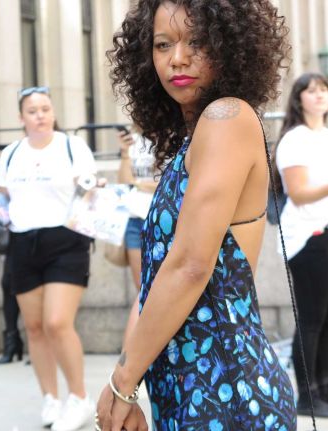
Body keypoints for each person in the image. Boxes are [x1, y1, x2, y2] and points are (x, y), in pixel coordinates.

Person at [100, 1, 294, 430]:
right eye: (163, 44)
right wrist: (129, 368)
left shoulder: (228, 117)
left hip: (228, 393)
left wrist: (122, 383)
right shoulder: (200, 134)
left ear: (231, 45)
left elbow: (190, 266)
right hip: (192, 393)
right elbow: (160, 276)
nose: (178, 58)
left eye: (197, 41)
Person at [0, 86, 97, 431]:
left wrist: (91, 185)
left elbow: (91, 189)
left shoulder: (72, 147)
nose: (40, 115)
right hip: (22, 242)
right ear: (21, 118)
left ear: (53, 112)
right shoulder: (12, 153)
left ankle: (79, 397)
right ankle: (51, 398)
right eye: (32, 110)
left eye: (45, 108)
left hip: (66, 240)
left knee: (58, 322)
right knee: (35, 327)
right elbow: (5, 199)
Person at [274, 72, 328, 418]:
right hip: (308, 236)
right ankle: (307, 397)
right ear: (299, 99)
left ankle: (326, 388)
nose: (320, 95)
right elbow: (299, 193)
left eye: (324, 89)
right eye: (311, 91)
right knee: (310, 320)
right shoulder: (294, 140)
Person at [116, 127, 158, 347]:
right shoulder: (133, 142)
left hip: (160, 218)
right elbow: (124, 182)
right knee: (142, 289)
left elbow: (163, 181)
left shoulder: (167, 136)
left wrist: (138, 184)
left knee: (157, 287)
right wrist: (124, 152)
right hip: (134, 220)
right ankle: (141, 348)